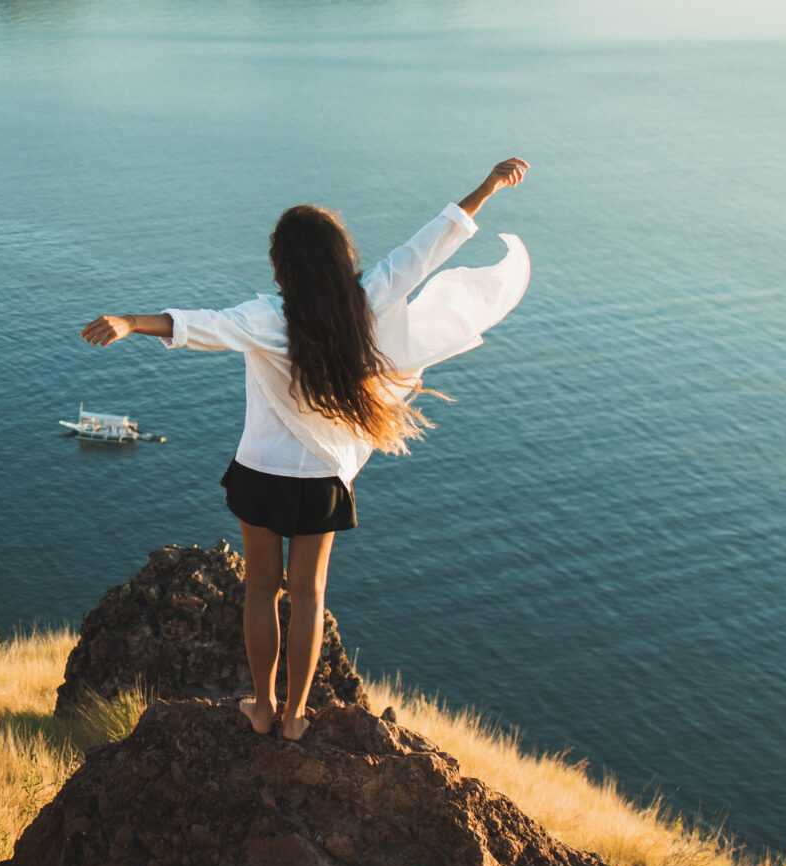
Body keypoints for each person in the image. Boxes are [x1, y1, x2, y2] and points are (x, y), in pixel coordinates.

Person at [81, 159, 531, 741]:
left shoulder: (266, 318)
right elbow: (426, 248)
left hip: (259, 476)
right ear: (339, 258)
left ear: (282, 265)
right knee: (310, 594)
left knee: (262, 589)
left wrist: (128, 321)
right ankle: (295, 719)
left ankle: (263, 707)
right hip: (322, 482)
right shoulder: (363, 304)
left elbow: (196, 325)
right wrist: (488, 188)